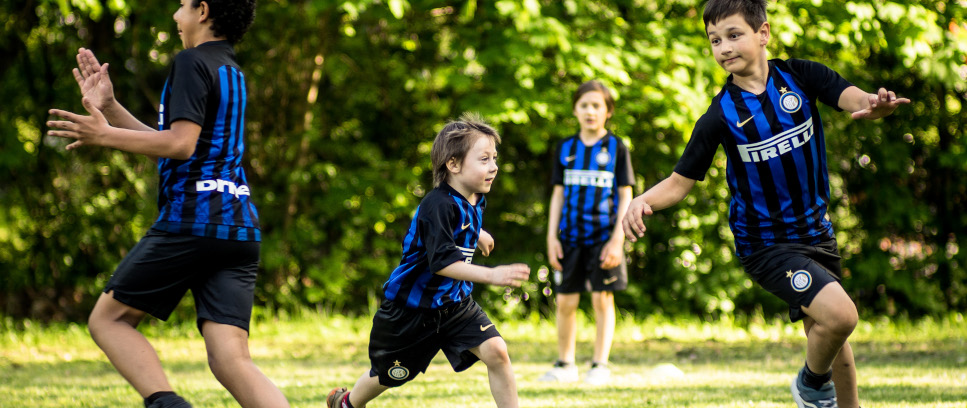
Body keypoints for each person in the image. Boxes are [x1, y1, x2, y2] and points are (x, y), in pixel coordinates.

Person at [621, 1, 909, 407]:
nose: (723, 48)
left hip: (817, 234)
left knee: (831, 335)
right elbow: (678, 182)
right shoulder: (719, 116)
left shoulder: (802, 76)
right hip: (766, 245)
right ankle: (810, 385)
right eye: (714, 40)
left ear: (763, 33)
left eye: (733, 35)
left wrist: (875, 105)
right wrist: (640, 201)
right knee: (842, 316)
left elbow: (856, 99)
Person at [46, 1, 290, 407]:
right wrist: (109, 108)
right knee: (231, 358)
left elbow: (178, 145)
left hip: (192, 221)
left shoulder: (190, 62)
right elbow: (178, 146)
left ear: (204, 10)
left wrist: (103, 135)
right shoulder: (231, 70)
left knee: (109, 320)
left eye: (181, 5)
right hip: (239, 227)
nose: (176, 16)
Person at [326, 113, 531, 408]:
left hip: (454, 305)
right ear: (454, 164)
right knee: (392, 374)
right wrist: (492, 275)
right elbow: (442, 262)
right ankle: (346, 403)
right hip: (412, 310)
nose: (494, 167)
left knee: (497, 351)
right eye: (484, 159)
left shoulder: (473, 197)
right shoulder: (437, 205)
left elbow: (462, 226)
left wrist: (479, 234)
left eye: (494, 158)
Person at [539, 80, 635, 385]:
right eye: (584, 105)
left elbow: (625, 194)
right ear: (575, 110)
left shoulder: (617, 147)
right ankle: (565, 364)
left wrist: (617, 239)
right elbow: (557, 194)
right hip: (569, 238)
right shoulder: (565, 148)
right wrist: (552, 237)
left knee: (601, 300)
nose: (590, 111)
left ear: (608, 111)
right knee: (566, 301)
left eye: (597, 105)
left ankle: (599, 365)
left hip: (604, 238)